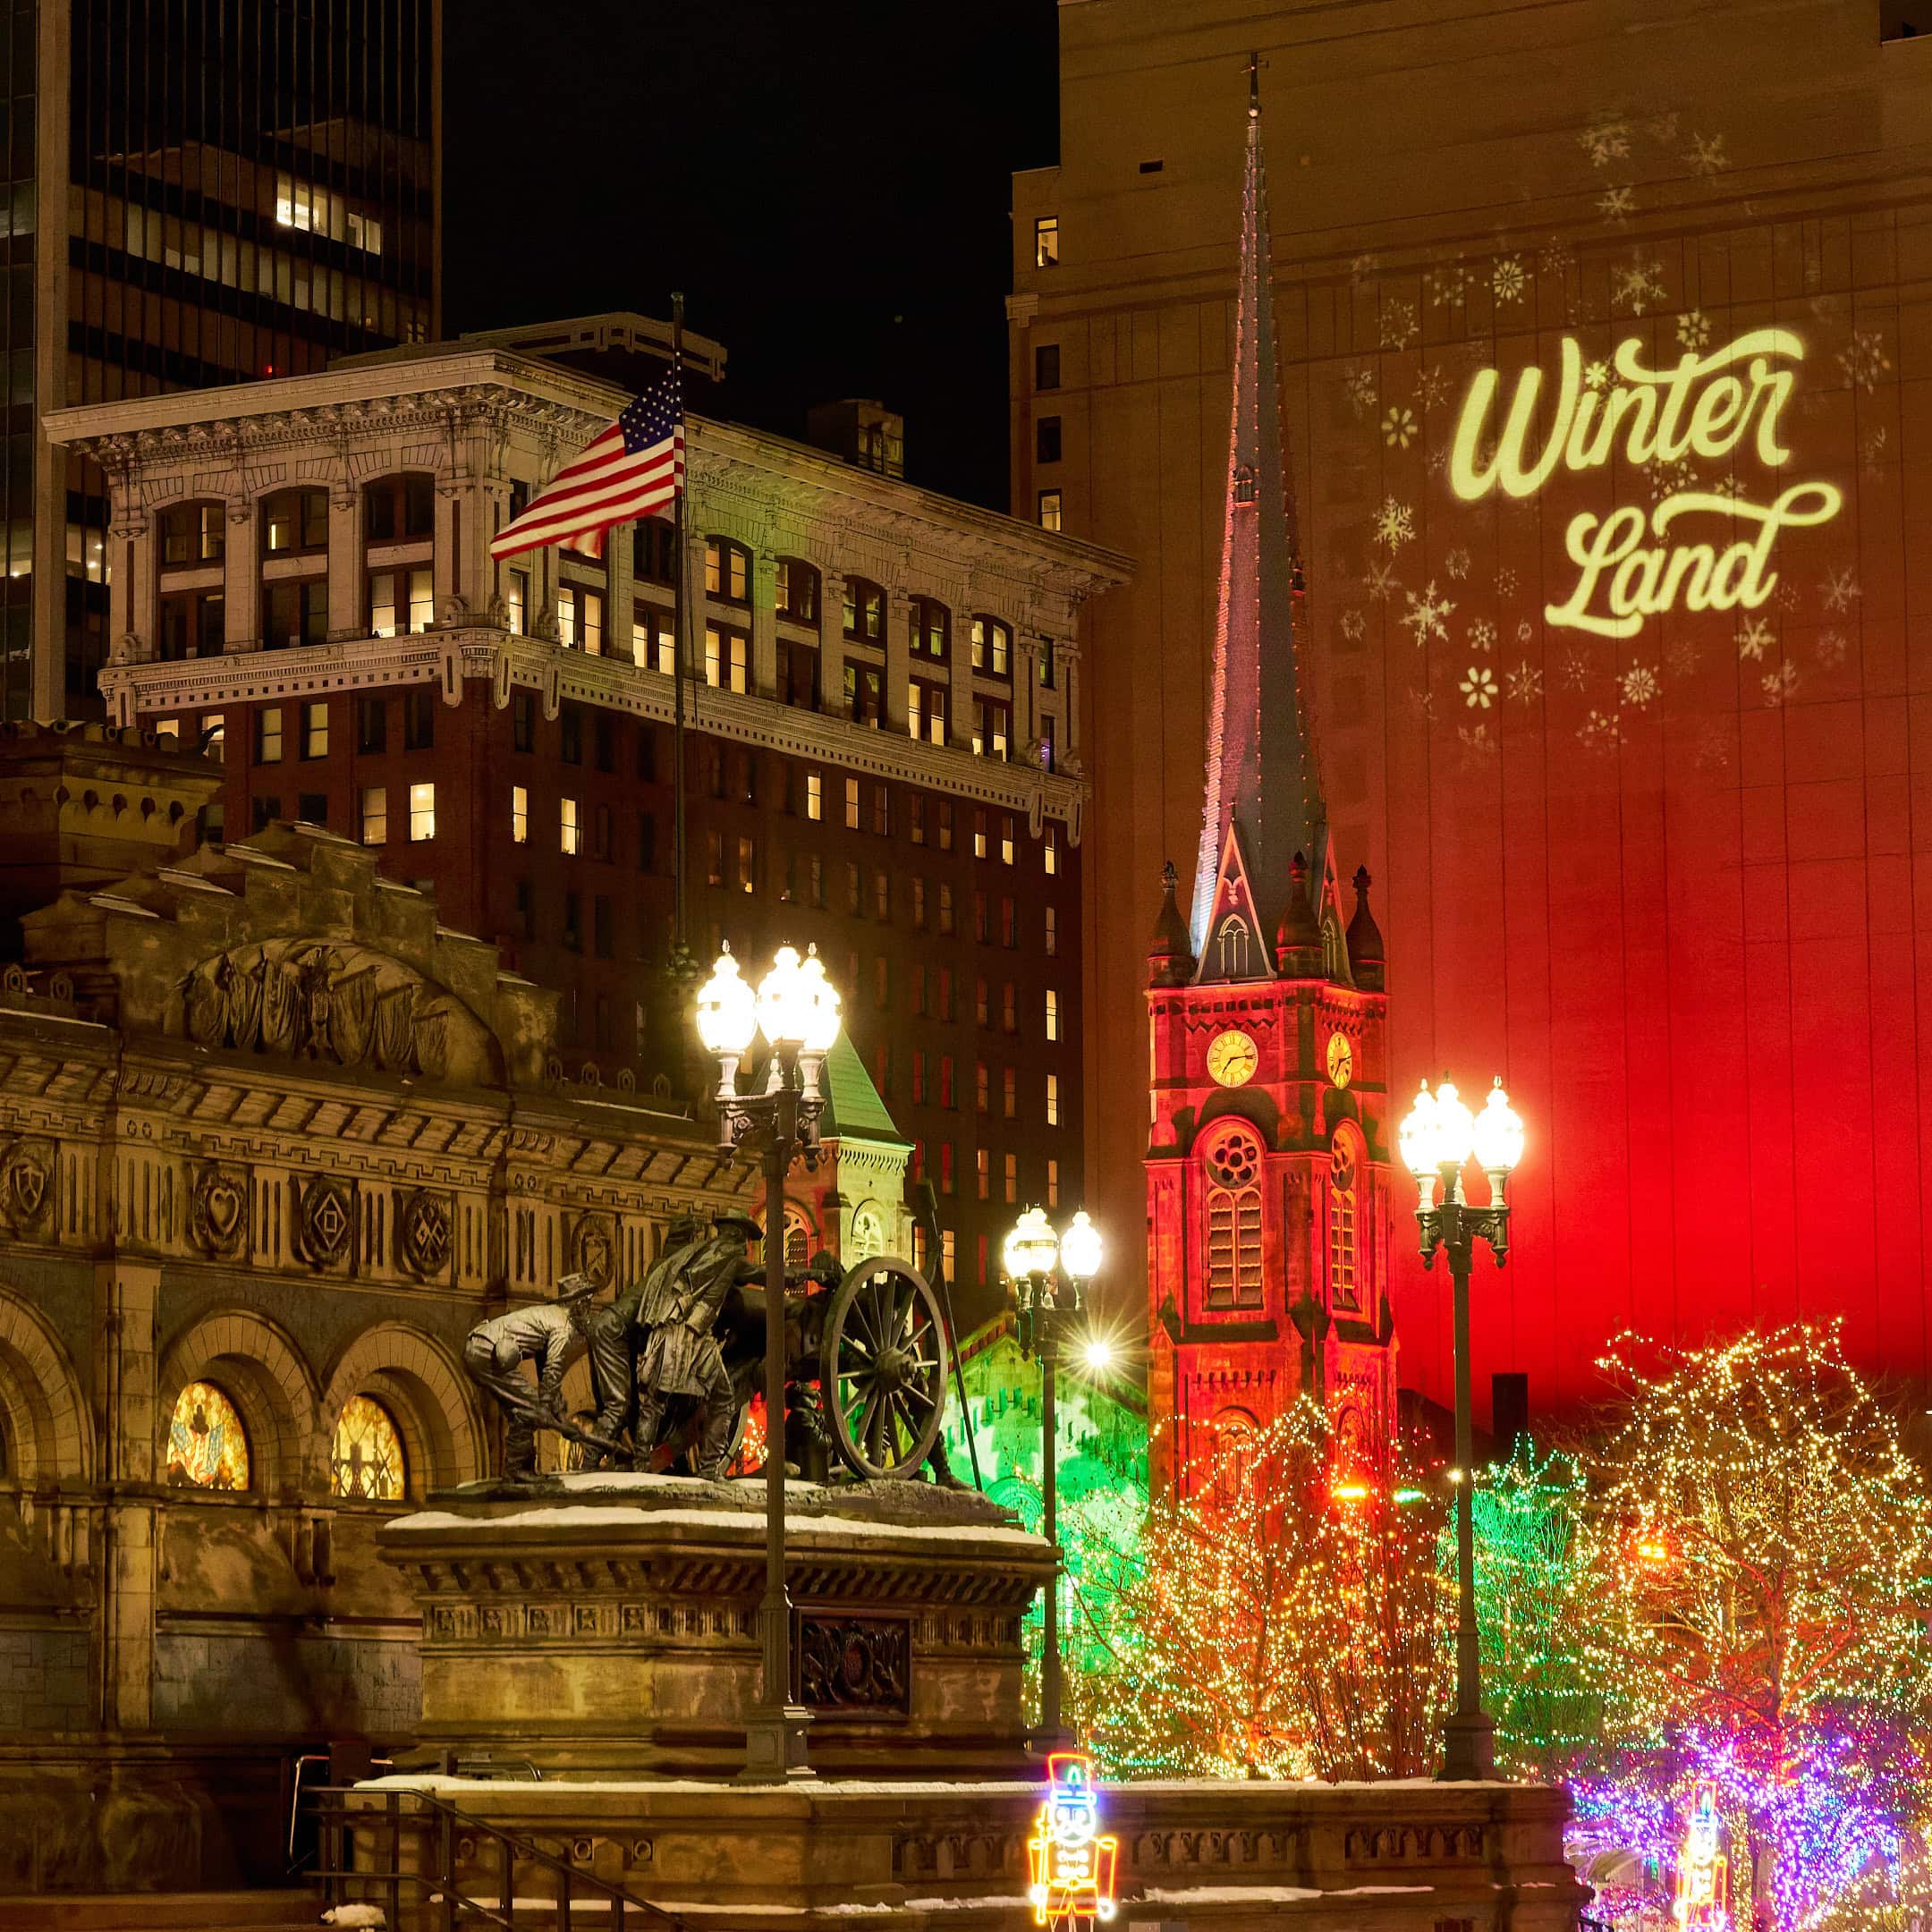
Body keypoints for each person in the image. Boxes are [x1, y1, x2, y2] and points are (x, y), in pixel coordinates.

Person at [631, 1213, 758, 1480]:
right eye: (745, 1240)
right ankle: (709, 1468)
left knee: (654, 1402)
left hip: (667, 1331)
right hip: (693, 1338)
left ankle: (640, 1460)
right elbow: (764, 1274)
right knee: (724, 1397)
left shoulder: (695, 1254)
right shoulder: (730, 1258)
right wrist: (809, 1275)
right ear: (736, 1236)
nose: (746, 1246)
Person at [462, 1274, 601, 1479]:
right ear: (577, 1303)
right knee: (529, 1409)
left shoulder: (550, 1316)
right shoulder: (562, 1325)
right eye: (586, 1302)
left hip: (479, 1349)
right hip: (487, 1353)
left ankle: (520, 1468)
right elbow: (553, 1369)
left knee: (519, 1409)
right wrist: (543, 1408)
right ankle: (517, 1470)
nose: (588, 1309)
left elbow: (545, 1371)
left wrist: (560, 1417)